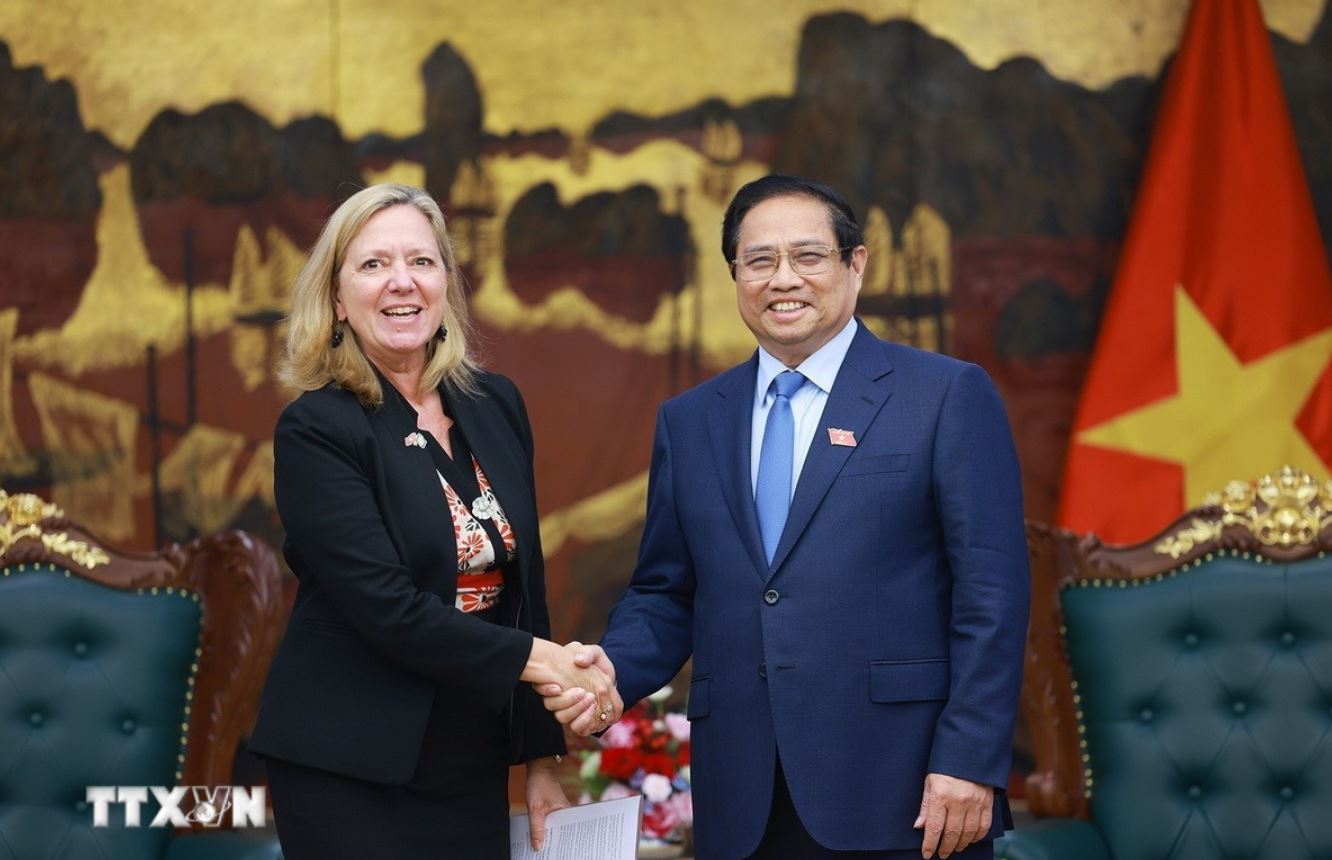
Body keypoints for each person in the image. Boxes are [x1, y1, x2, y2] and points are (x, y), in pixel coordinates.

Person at [543, 175, 1029, 859]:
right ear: (735, 276)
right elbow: (666, 593)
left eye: (808, 256)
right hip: (743, 800)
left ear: (855, 266)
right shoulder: (691, 422)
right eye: (760, 260)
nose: (783, 279)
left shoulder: (943, 396)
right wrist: (608, 675)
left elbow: (992, 595)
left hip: (907, 791)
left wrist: (971, 759)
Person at [248, 183, 618, 858]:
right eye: (373, 265)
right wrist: (549, 664)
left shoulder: (494, 403)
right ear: (335, 298)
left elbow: (522, 592)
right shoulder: (316, 429)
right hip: (350, 767)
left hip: (467, 758)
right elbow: (388, 608)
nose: (402, 283)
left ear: (447, 282)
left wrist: (541, 763)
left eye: (421, 262)